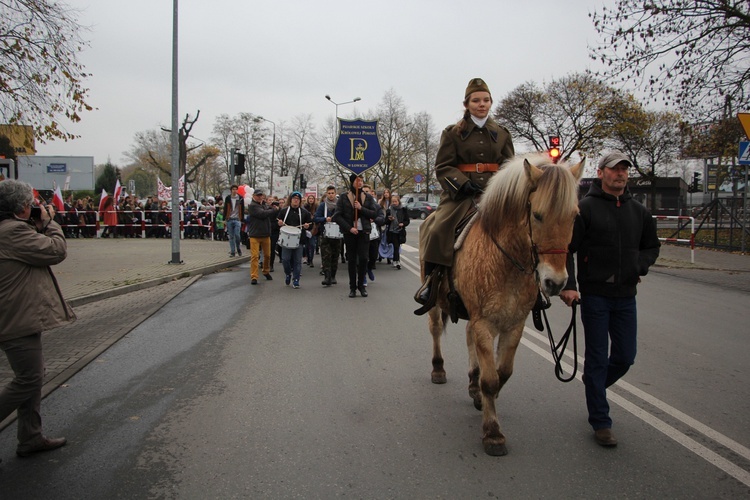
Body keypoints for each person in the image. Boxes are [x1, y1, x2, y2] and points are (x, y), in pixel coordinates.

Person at [559, 151, 661, 448]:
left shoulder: (639, 212)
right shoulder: (585, 209)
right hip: (595, 297)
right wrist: (569, 284)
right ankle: (601, 422)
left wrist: (638, 266)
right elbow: (567, 249)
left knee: (625, 357)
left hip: (626, 296)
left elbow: (651, 247)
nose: (621, 174)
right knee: (597, 358)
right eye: (615, 169)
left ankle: (595, 387)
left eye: (624, 169)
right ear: (601, 173)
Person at [415, 77, 515, 313]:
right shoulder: (452, 133)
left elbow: (509, 164)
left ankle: (535, 287)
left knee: (525, 227)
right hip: (462, 195)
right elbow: (443, 166)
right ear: (467, 104)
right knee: (437, 228)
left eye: (486, 100)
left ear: (491, 102)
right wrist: (462, 184)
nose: (482, 104)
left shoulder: (501, 134)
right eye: (476, 100)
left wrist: (501, 185)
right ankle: (431, 282)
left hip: (495, 193)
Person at [0, 180, 74, 458]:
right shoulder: (13, 231)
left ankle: (30, 437)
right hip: (14, 316)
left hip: (18, 314)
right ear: (20, 207)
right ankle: (30, 437)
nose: (34, 208)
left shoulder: (10, 230)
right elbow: (55, 251)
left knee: (31, 376)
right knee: (29, 378)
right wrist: (50, 223)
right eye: (30, 204)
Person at [332, 173, 380, 298]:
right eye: (358, 180)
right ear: (352, 182)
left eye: (362, 180)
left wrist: (361, 208)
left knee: (364, 258)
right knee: (352, 260)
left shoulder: (367, 197)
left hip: (364, 231)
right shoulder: (344, 197)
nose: (360, 183)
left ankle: (361, 285)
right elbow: (337, 216)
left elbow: (374, 214)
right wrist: (349, 228)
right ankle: (352, 287)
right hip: (350, 233)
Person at [277, 191, 312, 289]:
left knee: (297, 261)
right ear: (290, 200)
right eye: (294, 199)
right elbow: (277, 221)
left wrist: (307, 226)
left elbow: (310, 224)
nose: (296, 200)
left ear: (300, 201)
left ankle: (296, 279)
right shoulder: (284, 211)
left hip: (299, 240)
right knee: (285, 259)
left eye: (298, 199)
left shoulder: (304, 213)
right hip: (286, 240)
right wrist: (279, 223)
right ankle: (288, 273)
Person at [246, 188, 278, 285]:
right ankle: (254, 276)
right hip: (254, 235)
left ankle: (266, 270)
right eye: (258, 195)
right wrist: (273, 209)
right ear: (254, 196)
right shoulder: (252, 206)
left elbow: (269, 212)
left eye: (261, 195)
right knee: (255, 256)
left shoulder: (264, 205)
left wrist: (271, 208)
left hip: (265, 234)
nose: (260, 197)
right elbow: (262, 214)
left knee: (267, 255)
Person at [314, 185, 341, 287]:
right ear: (326, 194)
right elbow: (316, 218)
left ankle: (333, 276)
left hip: (337, 234)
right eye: (329, 193)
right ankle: (327, 276)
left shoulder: (339, 205)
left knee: (335, 255)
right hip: (325, 234)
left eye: (332, 193)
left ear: (335, 193)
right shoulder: (322, 206)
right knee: (325, 256)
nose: (331, 195)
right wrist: (325, 219)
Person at [361, 184, 385, 284]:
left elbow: (382, 218)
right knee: (363, 257)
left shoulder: (376, 206)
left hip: (374, 235)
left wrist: (374, 219)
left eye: (368, 191)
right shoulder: (359, 205)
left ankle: (370, 268)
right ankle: (363, 275)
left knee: (373, 256)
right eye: (364, 192)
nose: (366, 193)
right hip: (363, 234)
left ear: (371, 193)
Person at [386, 193, 409, 269]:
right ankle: (396, 260)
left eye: (395, 201)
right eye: (393, 202)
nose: (394, 203)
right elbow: (385, 221)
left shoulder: (403, 209)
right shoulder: (389, 210)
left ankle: (396, 260)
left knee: (397, 246)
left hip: (400, 230)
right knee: (395, 246)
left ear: (399, 201)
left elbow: (407, 220)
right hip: (392, 230)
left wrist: (403, 224)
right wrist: (389, 220)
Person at [223, 185, 244, 257]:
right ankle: (232, 251)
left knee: (237, 235)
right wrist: (224, 219)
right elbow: (225, 208)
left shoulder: (240, 198)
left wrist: (242, 219)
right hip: (229, 219)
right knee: (231, 236)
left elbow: (242, 209)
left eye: (236, 189)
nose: (234, 191)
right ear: (231, 190)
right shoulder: (228, 198)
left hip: (237, 219)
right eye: (233, 189)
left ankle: (238, 248)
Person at [303, 194, 319, 268]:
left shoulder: (316, 207)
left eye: (312, 198)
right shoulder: (304, 207)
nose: (311, 200)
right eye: (310, 198)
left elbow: (318, 216)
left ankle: (311, 259)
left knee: (312, 245)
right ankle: (308, 258)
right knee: (306, 245)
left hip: (313, 228)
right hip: (306, 228)